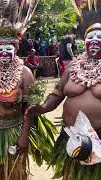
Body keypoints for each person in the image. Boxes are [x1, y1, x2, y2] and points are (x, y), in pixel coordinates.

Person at [0, 1, 55, 179]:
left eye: (9, 48)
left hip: (14, 132)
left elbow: (30, 109)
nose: (5, 52)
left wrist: (24, 136)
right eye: (1, 49)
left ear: (15, 49)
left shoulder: (25, 73)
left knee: (12, 173)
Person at [25, 23, 101, 180]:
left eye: (99, 37)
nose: (94, 41)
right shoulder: (73, 66)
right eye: (90, 37)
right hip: (73, 137)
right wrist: (43, 107)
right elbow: (57, 93)